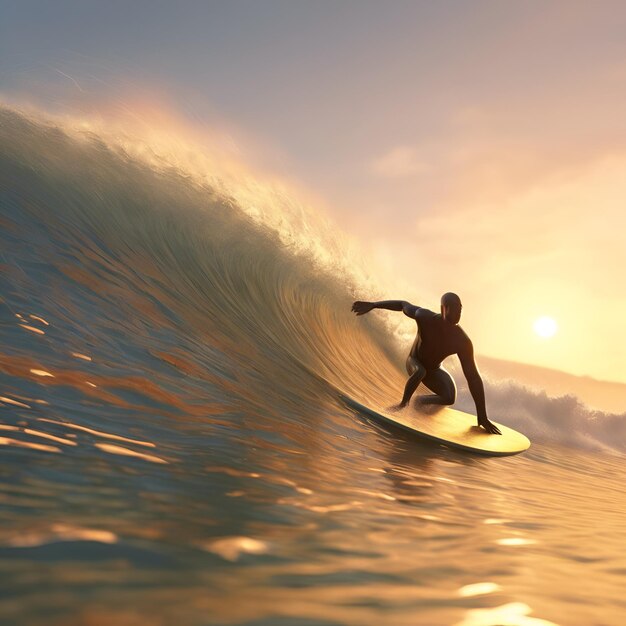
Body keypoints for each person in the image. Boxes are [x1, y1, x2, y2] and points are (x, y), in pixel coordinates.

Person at [351, 292, 501, 435]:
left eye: (460, 309)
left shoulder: (462, 341)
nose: (458, 312)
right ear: (444, 308)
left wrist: (482, 415)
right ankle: (403, 404)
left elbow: (473, 377)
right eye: (454, 308)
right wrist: (373, 305)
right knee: (420, 371)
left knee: (450, 396)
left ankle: (419, 402)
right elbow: (403, 305)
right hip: (414, 362)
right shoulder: (425, 317)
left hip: (434, 370)